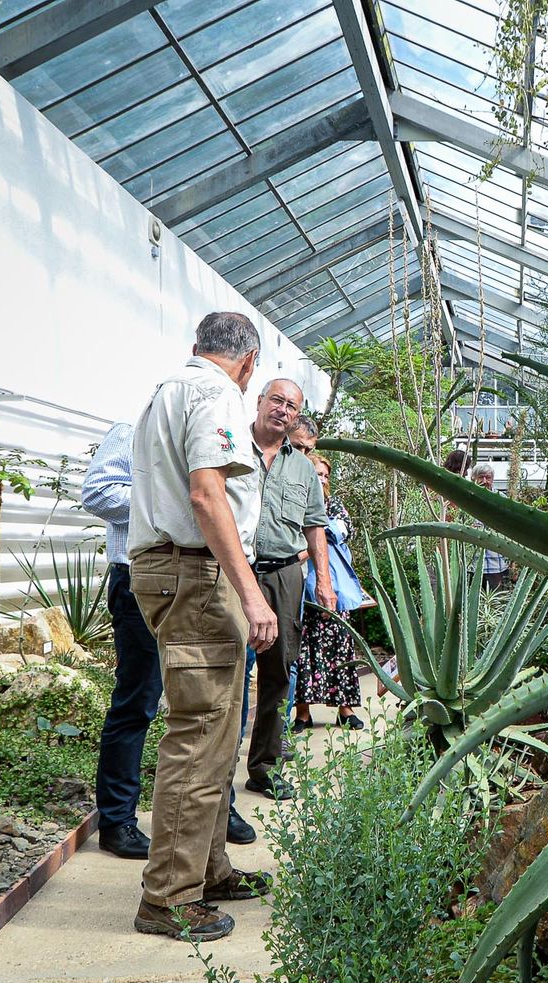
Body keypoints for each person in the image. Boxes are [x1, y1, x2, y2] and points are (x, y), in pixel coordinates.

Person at [126, 312, 277, 943]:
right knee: (201, 730)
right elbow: (207, 495)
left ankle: (206, 869)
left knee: (216, 728)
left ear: (199, 348)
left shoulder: (166, 391)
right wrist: (250, 591)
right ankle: (168, 895)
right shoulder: (215, 393)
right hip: (195, 574)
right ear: (248, 365)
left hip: (176, 570)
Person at [83, 424, 255, 859]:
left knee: (205, 706)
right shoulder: (132, 432)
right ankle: (118, 819)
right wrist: (167, 504)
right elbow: (97, 492)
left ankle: (217, 812)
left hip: (201, 582)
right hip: (141, 580)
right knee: (137, 701)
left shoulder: (206, 444)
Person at [245, 379, 335, 801]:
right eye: (276, 400)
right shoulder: (230, 447)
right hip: (236, 570)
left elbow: (315, 527)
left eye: (291, 406)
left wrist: (325, 583)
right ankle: (215, 774)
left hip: (284, 575)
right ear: (259, 402)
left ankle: (264, 767)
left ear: (297, 416)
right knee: (230, 672)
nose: (282, 409)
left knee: (279, 671)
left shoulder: (301, 467)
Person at [293, 453, 368, 729]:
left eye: (325, 475)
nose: (321, 479)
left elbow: (342, 530)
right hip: (302, 587)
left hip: (332, 587)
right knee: (303, 649)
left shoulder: (334, 504)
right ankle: (303, 712)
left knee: (340, 646)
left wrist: (313, 530)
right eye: (317, 474)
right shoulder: (296, 499)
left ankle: (345, 709)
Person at [471, 464, 513, 591]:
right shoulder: (467, 499)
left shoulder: (501, 500)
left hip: (497, 565)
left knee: (497, 604)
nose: (484, 481)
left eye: (488, 477)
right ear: (473, 479)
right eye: (480, 477)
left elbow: (511, 531)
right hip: (473, 565)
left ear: (493, 479)